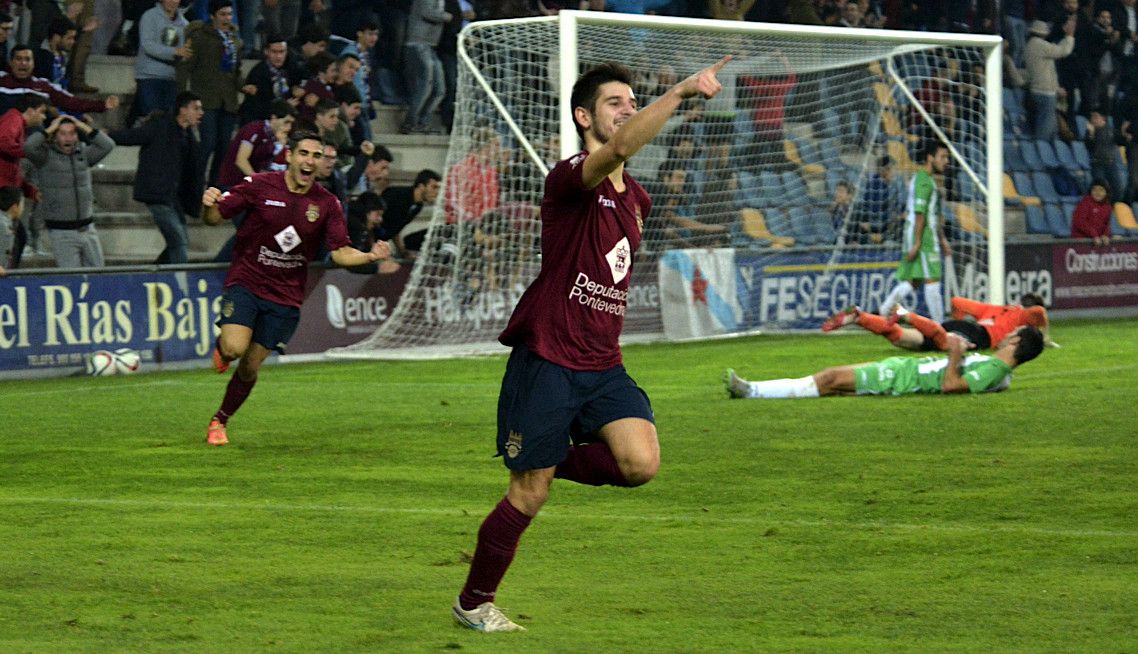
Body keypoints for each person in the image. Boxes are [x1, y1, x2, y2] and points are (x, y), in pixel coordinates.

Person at [452, 55, 732, 633]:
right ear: (584, 116)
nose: (627, 108)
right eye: (614, 102)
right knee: (529, 496)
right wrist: (677, 91)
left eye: (633, 100)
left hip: (603, 362)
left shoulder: (639, 200)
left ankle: (539, 457)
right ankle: (474, 602)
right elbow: (620, 150)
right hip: (549, 357)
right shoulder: (569, 178)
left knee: (640, 464)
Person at [200, 130, 392, 446]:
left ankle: (220, 419)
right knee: (235, 348)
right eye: (304, 153)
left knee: (250, 366)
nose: (310, 161)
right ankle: (224, 348)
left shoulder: (327, 203)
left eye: (317, 156)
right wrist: (209, 205)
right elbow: (215, 217)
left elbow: (340, 251)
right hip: (247, 281)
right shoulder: (260, 185)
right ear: (289, 155)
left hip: (286, 296)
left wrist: (370, 255)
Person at [726, 325, 1045, 400]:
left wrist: (956, 354)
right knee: (832, 382)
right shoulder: (998, 371)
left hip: (903, 379)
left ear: (1015, 341)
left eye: (1012, 334)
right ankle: (753, 389)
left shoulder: (996, 371)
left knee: (830, 379)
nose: (1006, 335)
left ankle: (751, 390)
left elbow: (951, 386)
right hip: (905, 371)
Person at [108, 91, 204, 265]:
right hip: (157, 194)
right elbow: (130, 137)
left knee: (178, 242)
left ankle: (154, 275)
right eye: (196, 108)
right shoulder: (160, 127)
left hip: (173, 198)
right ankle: (179, 282)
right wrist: (96, 134)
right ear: (182, 110)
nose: (201, 113)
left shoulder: (188, 135)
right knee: (179, 242)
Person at [24, 114, 114, 268]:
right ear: (54, 136)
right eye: (63, 133)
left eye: (72, 133)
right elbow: (28, 147)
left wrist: (82, 125)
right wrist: (50, 128)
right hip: (62, 232)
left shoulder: (84, 154)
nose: (68, 138)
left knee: (99, 278)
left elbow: (108, 145)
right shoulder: (44, 156)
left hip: (88, 229)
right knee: (72, 280)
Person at [822, 293, 1051, 352]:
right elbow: (1039, 311)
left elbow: (956, 301)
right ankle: (907, 314)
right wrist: (1045, 335)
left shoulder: (991, 309)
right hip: (979, 335)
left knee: (899, 338)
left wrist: (956, 322)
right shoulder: (1020, 315)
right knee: (946, 345)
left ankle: (859, 317)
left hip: (960, 327)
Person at [878, 140, 952, 322]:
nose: (946, 161)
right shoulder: (924, 181)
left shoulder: (925, 180)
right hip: (924, 236)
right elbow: (920, 214)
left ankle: (884, 310)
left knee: (914, 280)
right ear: (930, 158)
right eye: (942, 157)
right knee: (932, 280)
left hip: (923, 234)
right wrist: (918, 242)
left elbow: (931, 214)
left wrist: (942, 240)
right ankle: (940, 328)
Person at [177, 0, 242, 186]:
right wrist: (182, 97)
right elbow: (185, 67)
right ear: (212, 16)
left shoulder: (235, 41)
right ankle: (193, 185)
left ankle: (215, 190)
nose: (227, 18)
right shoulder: (199, 37)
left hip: (228, 101)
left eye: (229, 14)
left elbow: (235, 71)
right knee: (207, 145)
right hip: (206, 100)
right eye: (222, 14)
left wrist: (243, 86)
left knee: (224, 149)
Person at [0, 93, 48, 269]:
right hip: (2, 191)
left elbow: (14, 171)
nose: (43, 117)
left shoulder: (17, 124)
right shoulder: (13, 119)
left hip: (6, 189)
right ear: (30, 110)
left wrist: (30, 191)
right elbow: (2, 141)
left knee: (18, 238)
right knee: (13, 239)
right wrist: (28, 151)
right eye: (42, 112)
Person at [0, 45, 119, 115]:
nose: (23, 63)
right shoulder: (2, 81)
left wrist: (102, 105)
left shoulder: (43, 85)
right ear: (11, 62)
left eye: (27, 59)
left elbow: (71, 102)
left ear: (33, 64)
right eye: (19, 59)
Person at [215, 99, 297, 190]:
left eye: (291, 124)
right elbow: (241, 160)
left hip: (251, 186)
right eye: (286, 122)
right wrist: (259, 181)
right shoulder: (255, 129)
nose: (289, 128)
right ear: (274, 118)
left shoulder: (278, 138)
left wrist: (281, 146)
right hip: (232, 184)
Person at [135, 0, 192, 117]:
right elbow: (148, 45)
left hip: (172, 79)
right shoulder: (149, 16)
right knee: (153, 120)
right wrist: (175, 51)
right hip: (150, 77)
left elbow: (185, 51)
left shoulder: (185, 24)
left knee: (170, 121)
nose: (172, 1)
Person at [401, 0, 451, 134]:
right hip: (417, 44)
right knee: (425, 87)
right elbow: (427, 12)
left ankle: (423, 123)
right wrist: (448, 17)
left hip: (431, 47)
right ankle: (410, 123)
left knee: (440, 89)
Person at [1023, 17, 1074, 140]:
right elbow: (1063, 51)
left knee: (1051, 126)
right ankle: (1039, 149)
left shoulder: (1030, 45)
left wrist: (1056, 88)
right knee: (1046, 125)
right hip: (1045, 91)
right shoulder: (1039, 45)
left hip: (1037, 89)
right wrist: (1069, 36)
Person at [238, 34, 304, 124]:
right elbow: (256, 106)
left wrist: (299, 89)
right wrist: (285, 107)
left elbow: (303, 82)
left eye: (282, 52)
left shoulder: (292, 68)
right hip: (261, 122)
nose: (279, 57)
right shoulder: (258, 73)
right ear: (266, 51)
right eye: (274, 52)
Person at [381, 168, 440, 256]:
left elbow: (394, 229)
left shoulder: (417, 206)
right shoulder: (396, 195)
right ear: (421, 186)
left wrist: (403, 252)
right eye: (434, 187)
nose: (436, 192)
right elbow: (374, 222)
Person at [32, 17, 76, 88]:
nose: (72, 42)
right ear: (56, 37)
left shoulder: (64, 56)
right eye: (69, 38)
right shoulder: (41, 58)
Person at [1070, 178, 1114, 245]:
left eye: (1101, 190)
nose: (1098, 192)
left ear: (1106, 192)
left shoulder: (1107, 207)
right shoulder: (1085, 203)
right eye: (1094, 189)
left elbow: (1106, 224)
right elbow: (1080, 222)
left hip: (1098, 242)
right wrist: (1094, 235)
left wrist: (1105, 235)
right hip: (1081, 241)